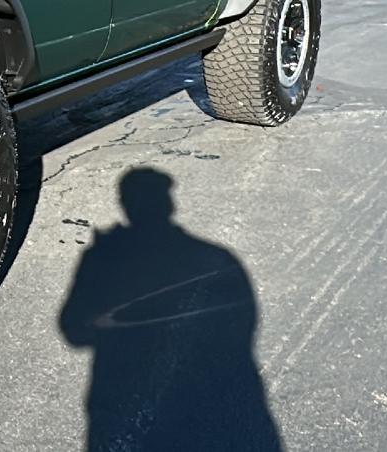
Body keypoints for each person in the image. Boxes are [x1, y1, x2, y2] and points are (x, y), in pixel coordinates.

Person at [59, 168, 282, 451]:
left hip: (124, 405)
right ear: (170, 205)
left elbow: (74, 331)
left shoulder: (103, 258)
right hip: (207, 411)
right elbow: (240, 333)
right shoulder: (219, 259)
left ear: (126, 206)